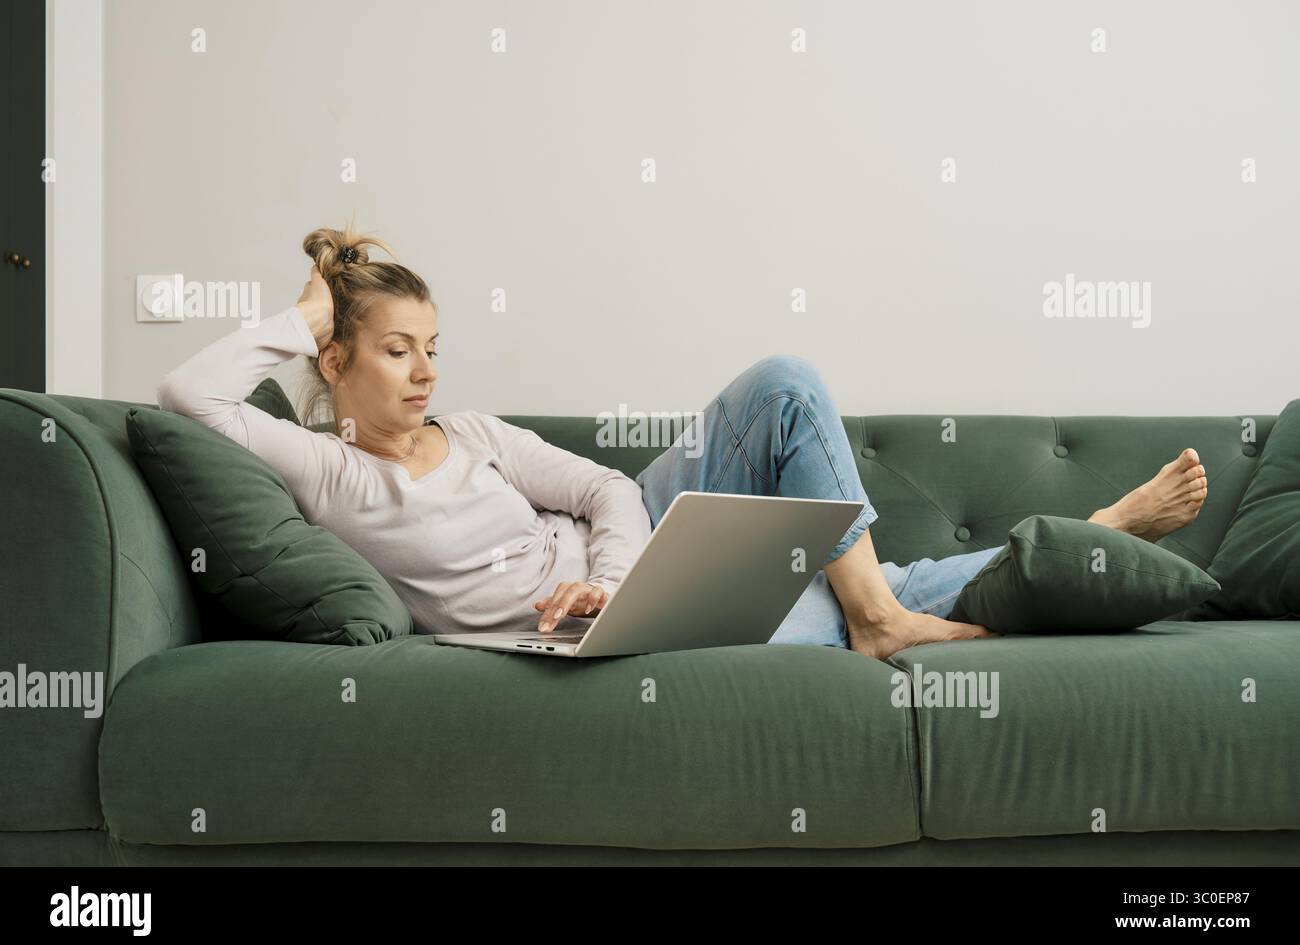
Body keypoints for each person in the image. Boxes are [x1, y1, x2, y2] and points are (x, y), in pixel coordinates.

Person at [157, 222, 1209, 660]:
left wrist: (615, 574)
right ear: (335, 362)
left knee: (783, 386)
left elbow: (608, 490)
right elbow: (187, 394)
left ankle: (889, 603)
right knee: (877, 595)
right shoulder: (326, 467)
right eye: (395, 349)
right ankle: (1073, 538)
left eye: (434, 345)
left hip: (635, 562)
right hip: (598, 640)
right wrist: (304, 317)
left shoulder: (471, 431)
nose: (427, 369)